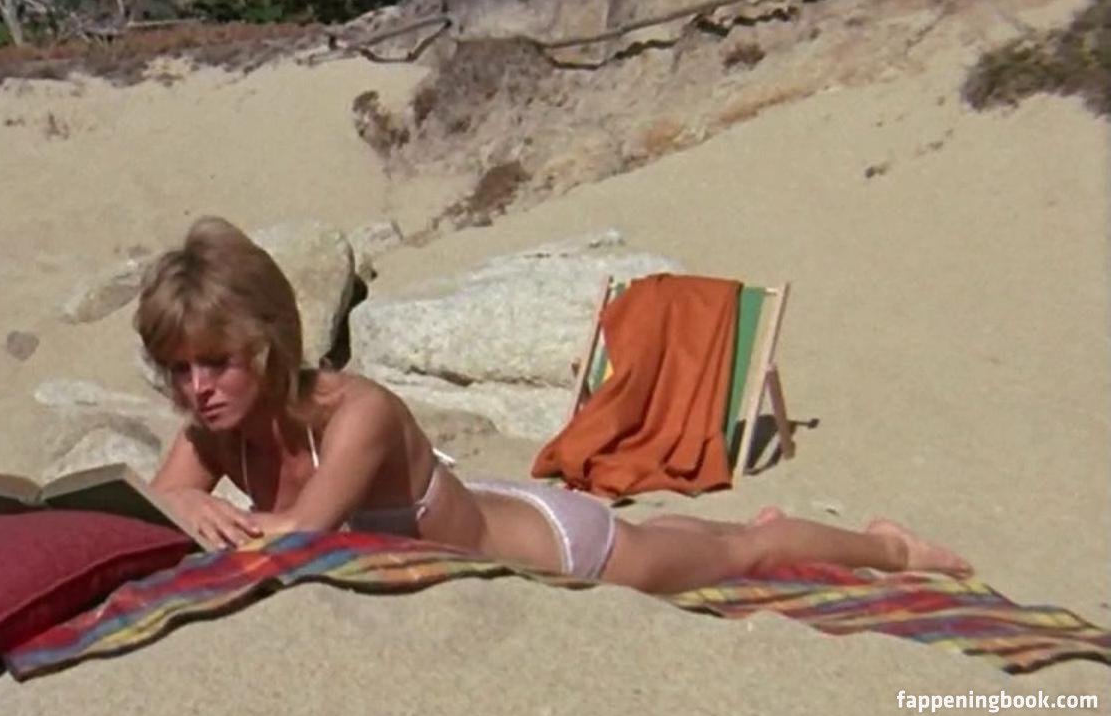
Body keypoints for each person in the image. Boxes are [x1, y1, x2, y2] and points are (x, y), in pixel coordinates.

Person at [135, 215, 973, 596]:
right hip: (488, 504)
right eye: (178, 368)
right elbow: (150, 504)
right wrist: (175, 497)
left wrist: (183, 503)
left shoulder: (362, 412)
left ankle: (890, 546)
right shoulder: (215, 433)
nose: (196, 387)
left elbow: (299, 533)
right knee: (690, 536)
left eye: (216, 362)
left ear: (269, 344)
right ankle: (737, 529)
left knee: (743, 553)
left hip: (561, 550)